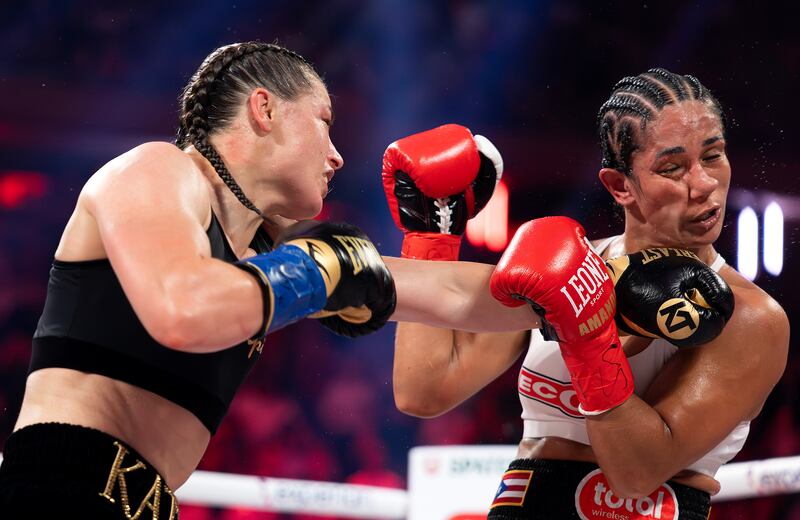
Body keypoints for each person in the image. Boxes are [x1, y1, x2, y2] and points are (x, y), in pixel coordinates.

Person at [0, 41, 396, 518]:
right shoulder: (157, 168)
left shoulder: (264, 249)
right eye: (325, 122)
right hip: (60, 486)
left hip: (152, 505)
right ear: (264, 108)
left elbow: (435, 291)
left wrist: (437, 231)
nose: (337, 156)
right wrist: (314, 272)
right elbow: (181, 308)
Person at [383, 69, 789, 519]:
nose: (704, 184)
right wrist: (431, 235)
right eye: (672, 167)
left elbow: (636, 473)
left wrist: (588, 334)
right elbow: (424, 390)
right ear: (620, 186)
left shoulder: (750, 317)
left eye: (713, 156)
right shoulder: (561, 265)